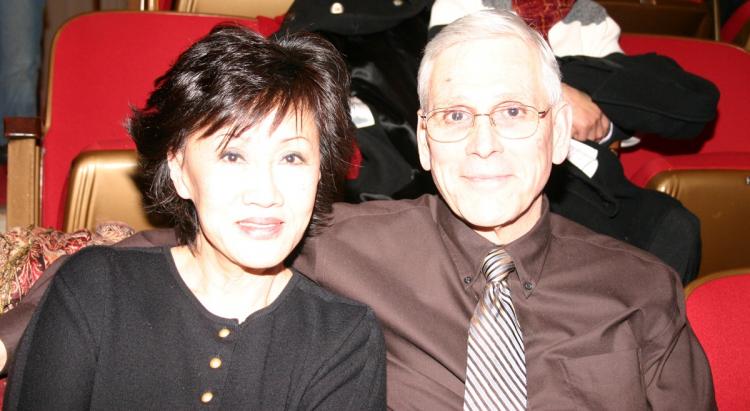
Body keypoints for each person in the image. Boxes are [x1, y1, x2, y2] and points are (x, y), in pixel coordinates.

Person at [0, 10, 714, 410]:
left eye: (515, 112)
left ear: (559, 132)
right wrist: (16, 329)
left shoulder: (641, 288)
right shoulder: (345, 242)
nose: (485, 144)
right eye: (457, 115)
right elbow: (194, 252)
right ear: (425, 143)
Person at [3, 24, 385, 409]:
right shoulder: (95, 289)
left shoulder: (343, 338)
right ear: (179, 171)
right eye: (233, 156)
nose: (266, 194)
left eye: (291, 157)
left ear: (319, 174)